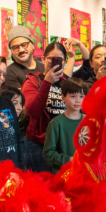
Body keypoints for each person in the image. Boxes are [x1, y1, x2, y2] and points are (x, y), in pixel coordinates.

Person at [21, 41, 74, 173]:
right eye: (51, 58)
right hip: (38, 144)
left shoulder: (66, 83)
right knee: (41, 183)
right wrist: (46, 83)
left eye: (59, 59)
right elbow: (33, 112)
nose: (55, 62)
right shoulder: (32, 81)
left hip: (62, 142)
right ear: (43, 59)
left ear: (64, 61)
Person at [43, 78, 88, 173]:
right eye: (73, 96)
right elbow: (48, 153)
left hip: (85, 172)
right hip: (63, 174)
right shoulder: (56, 123)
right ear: (63, 98)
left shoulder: (89, 121)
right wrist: (69, 159)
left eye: (81, 96)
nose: (78, 101)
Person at [2, 25, 44, 94]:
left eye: (24, 45)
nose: (21, 50)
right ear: (11, 50)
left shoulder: (44, 68)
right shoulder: (9, 73)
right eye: (15, 47)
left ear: (33, 45)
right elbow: (25, 98)